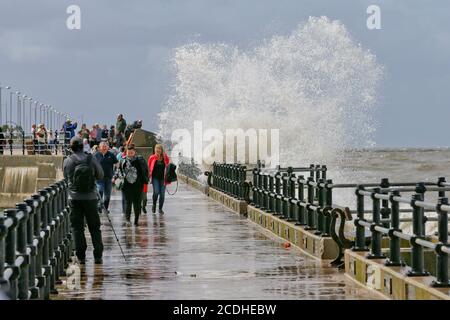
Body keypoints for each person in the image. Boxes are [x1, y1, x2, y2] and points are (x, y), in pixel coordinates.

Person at [63, 137, 104, 264]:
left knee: (77, 227)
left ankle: (81, 256)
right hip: (91, 197)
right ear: (82, 146)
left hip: (74, 198)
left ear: (71, 148)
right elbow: (100, 175)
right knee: (94, 227)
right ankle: (98, 255)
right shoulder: (91, 159)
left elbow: (66, 177)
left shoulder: (67, 161)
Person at [119, 144, 149, 226]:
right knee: (128, 202)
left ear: (134, 152)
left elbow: (145, 170)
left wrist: (145, 179)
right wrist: (117, 178)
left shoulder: (140, 160)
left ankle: (136, 220)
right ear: (126, 152)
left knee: (137, 203)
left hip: (138, 185)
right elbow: (119, 171)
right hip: (126, 185)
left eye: (132, 152)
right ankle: (128, 219)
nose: (130, 154)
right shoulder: (122, 160)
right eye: (129, 152)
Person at [95, 141, 118, 212]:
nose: (104, 148)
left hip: (109, 178)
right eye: (103, 146)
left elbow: (117, 164)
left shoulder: (111, 155)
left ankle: (105, 208)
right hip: (99, 178)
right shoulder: (96, 155)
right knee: (100, 190)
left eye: (105, 146)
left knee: (107, 195)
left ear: (108, 147)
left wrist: (116, 174)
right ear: (99, 148)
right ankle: (99, 206)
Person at [148, 144, 170, 214]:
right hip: (155, 178)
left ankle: (160, 208)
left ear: (161, 150)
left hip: (163, 178)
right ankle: (154, 204)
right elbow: (148, 167)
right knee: (156, 192)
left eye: (159, 149)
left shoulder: (165, 157)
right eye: (156, 149)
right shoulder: (152, 157)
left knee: (162, 194)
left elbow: (168, 165)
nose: (157, 150)